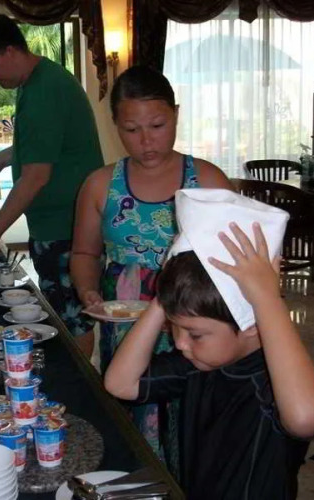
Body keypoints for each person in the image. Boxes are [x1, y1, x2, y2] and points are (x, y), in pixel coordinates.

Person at [70, 66, 233, 463]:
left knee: (189, 420)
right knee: (130, 408)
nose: (146, 141)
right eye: (131, 129)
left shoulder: (207, 180)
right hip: (124, 325)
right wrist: (88, 289)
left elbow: (235, 264)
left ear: (176, 115)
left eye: (158, 125)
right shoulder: (100, 184)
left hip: (191, 326)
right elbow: (85, 253)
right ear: (115, 125)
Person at [104, 221, 314, 499]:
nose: (180, 343)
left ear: (251, 324)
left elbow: (305, 419)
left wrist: (267, 301)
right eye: (174, 326)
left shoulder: (278, 381)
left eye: (195, 334)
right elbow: (120, 384)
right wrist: (164, 298)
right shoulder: (196, 363)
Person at [0, 13, 104, 355]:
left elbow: (36, 176)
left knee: (72, 319)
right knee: (62, 312)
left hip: (67, 227)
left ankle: (81, 386)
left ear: (12, 50)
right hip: (56, 224)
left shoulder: (44, 90)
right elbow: (44, 143)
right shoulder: (36, 82)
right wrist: (3, 158)